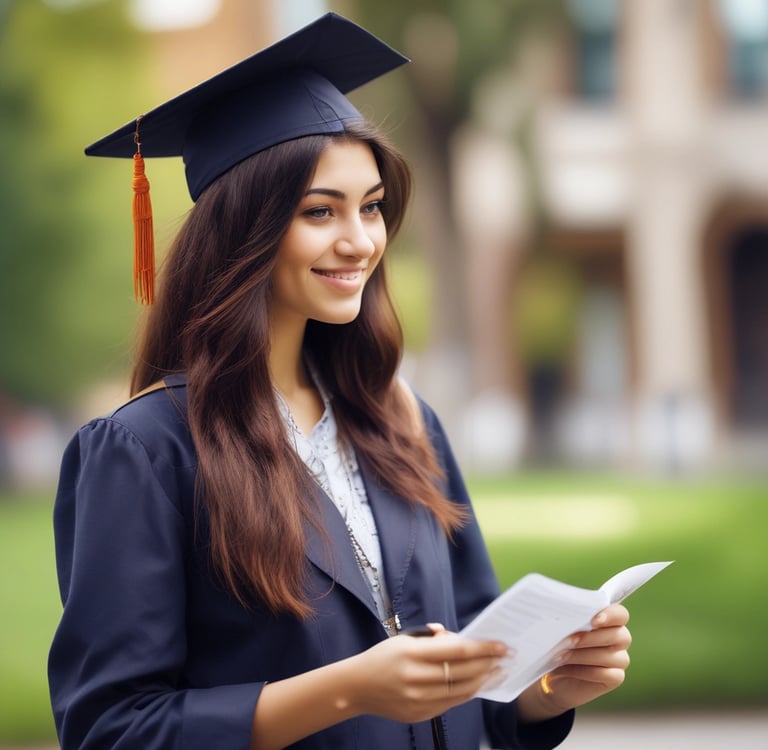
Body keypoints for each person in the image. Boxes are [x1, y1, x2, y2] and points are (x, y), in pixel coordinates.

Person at [48, 13, 631, 750]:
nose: (360, 241)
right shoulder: (145, 453)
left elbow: (476, 680)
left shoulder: (400, 419)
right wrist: (350, 689)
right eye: (320, 211)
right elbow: (113, 730)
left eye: (372, 206)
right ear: (245, 228)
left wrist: (547, 689)